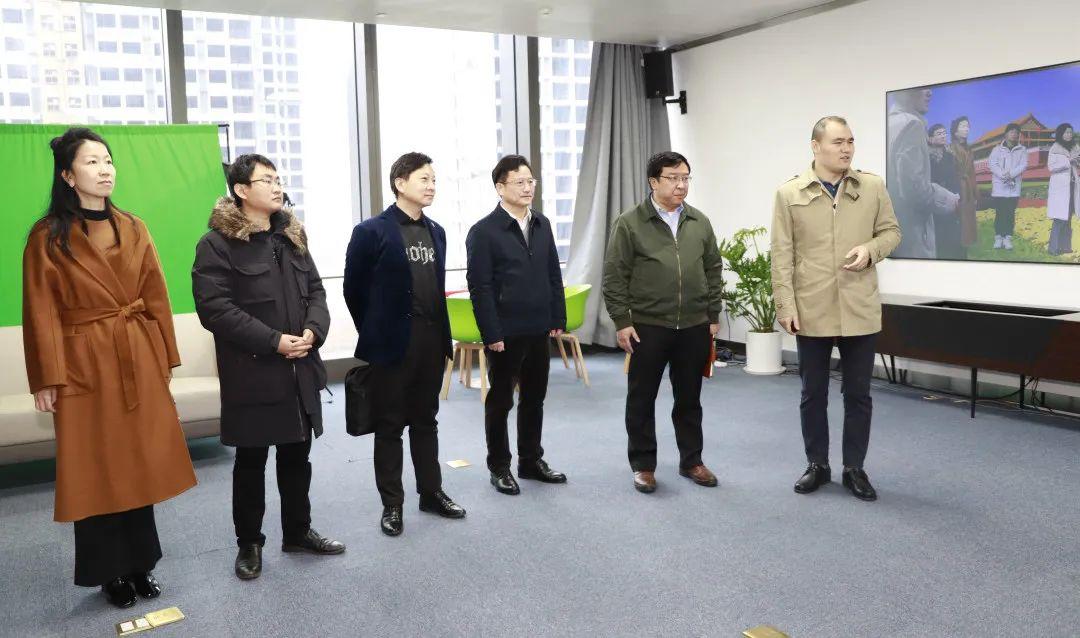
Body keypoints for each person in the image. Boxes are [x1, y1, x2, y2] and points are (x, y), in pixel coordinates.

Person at [22, 127, 197, 608]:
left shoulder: (134, 227)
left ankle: (141, 563)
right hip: (83, 363)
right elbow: (40, 310)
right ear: (67, 175)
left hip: (135, 354)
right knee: (95, 467)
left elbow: (156, 294)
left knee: (138, 461)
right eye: (91, 162)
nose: (104, 170)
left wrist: (164, 356)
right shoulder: (47, 236)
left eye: (108, 160)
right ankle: (109, 572)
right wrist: (46, 378)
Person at [192, 154, 345, 581]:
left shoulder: (292, 236)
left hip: (300, 367)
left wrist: (314, 331)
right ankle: (249, 543)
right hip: (254, 370)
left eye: (279, 179)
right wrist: (273, 341)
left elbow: (316, 290)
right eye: (267, 180)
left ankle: (297, 532)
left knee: (298, 456)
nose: (277, 187)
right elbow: (215, 309)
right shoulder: (217, 244)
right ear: (242, 190)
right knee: (251, 461)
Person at [770, 116, 901, 502]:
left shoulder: (872, 186)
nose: (846, 149)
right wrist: (785, 305)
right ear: (816, 146)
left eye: (850, 141)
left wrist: (871, 250)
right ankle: (817, 464)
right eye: (838, 142)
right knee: (813, 393)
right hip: (811, 307)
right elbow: (781, 254)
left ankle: (854, 468)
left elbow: (892, 232)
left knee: (858, 394)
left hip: (859, 306)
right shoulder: (789, 193)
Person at [343, 152, 466, 536]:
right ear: (400, 183)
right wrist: (376, 330)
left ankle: (431, 492)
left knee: (426, 421)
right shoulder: (372, 231)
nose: (431, 186)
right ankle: (392, 505)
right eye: (424, 179)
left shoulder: (437, 231)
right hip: (392, 344)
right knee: (390, 424)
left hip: (432, 341)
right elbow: (353, 289)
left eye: (434, 180)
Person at [601, 151, 724, 494]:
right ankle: (643, 465)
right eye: (673, 178)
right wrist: (622, 321)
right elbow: (614, 275)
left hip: (693, 325)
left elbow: (713, 268)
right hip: (648, 325)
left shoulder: (699, 221)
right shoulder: (630, 223)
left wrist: (713, 314)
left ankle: (692, 461)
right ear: (653, 181)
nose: (681, 185)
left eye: (685, 178)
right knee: (642, 398)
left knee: (689, 398)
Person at [466, 154, 568, 496]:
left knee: (535, 398)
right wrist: (491, 332)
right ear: (500, 187)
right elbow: (480, 287)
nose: (527, 188)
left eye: (530, 181)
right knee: (500, 402)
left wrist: (557, 316)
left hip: (539, 327)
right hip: (505, 333)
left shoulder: (542, 223)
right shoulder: (484, 231)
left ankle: (531, 460)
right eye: (519, 182)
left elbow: (553, 273)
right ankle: (499, 467)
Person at [887, 88, 958, 258]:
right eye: (922, 89)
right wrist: (950, 200)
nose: (930, 93)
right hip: (913, 234)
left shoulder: (888, 123)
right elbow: (915, 189)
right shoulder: (912, 125)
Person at [988, 123, 1028, 250]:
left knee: (1010, 214)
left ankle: (1007, 238)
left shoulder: (1022, 150)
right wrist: (1003, 175)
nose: (1014, 134)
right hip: (999, 188)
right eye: (1012, 132)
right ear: (1006, 134)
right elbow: (992, 164)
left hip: (1013, 188)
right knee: (1000, 213)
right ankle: (998, 238)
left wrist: (1011, 174)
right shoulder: (997, 149)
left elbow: (1023, 165)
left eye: (1017, 132)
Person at [928, 123, 964, 259]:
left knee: (954, 238)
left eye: (944, 133)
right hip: (934, 201)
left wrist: (958, 194)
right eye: (939, 133)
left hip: (952, 199)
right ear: (930, 138)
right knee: (938, 237)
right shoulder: (925, 157)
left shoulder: (950, 156)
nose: (943, 136)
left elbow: (956, 177)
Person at [1047, 123, 1078, 256]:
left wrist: (1077, 161)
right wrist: (1068, 161)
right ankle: (1053, 248)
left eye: (1070, 132)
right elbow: (1051, 167)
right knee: (1059, 218)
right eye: (1066, 132)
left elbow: (1076, 165)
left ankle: (1065, 247)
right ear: (1061, 134)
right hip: (1060, 188)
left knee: (1068, 217)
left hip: (1072, 186)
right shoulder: (1055, 148)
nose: (1069, 135)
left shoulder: (1075, 147)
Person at [948, 116, 978, 249]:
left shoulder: (970, 149)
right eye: (963, 126)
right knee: (957, 216)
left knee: (968, 215)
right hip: (955, 186)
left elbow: (972, 172)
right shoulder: (950, 148)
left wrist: (975, 192)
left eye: (968, 126)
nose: (967, 129)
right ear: (955, 131)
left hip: (968, 186)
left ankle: (967, 241)